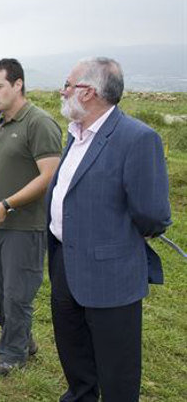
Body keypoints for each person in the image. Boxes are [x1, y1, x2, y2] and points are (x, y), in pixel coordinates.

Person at [47, 57, 171, 401]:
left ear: (87, 92)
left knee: (117, 370)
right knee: (75, 355)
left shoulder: (137, 138)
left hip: (110, 272)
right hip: (65, 263)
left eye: (68, 85)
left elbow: (153, 213)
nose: (63, 91)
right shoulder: (76, 135)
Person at [0, 58, 62, 376]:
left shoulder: (39, 123)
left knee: (17, 294)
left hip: (25, 226)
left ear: (18, 84)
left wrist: (7, 204)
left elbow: (49, 175)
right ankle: (21, 337)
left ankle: (14, 353)